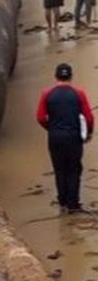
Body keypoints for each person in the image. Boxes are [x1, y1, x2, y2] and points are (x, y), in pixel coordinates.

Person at [36, 63, 94, 213]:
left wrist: (51, 128)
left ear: (56, 77)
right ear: (71, 76)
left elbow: (40, 117)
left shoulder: (46, 93)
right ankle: (73, 204)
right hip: (73, 137)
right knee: (74, 169)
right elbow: (88, 117)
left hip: (55, 137)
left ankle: (62, 201)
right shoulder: (78, 93)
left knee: (60, 168)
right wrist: (88, 133)